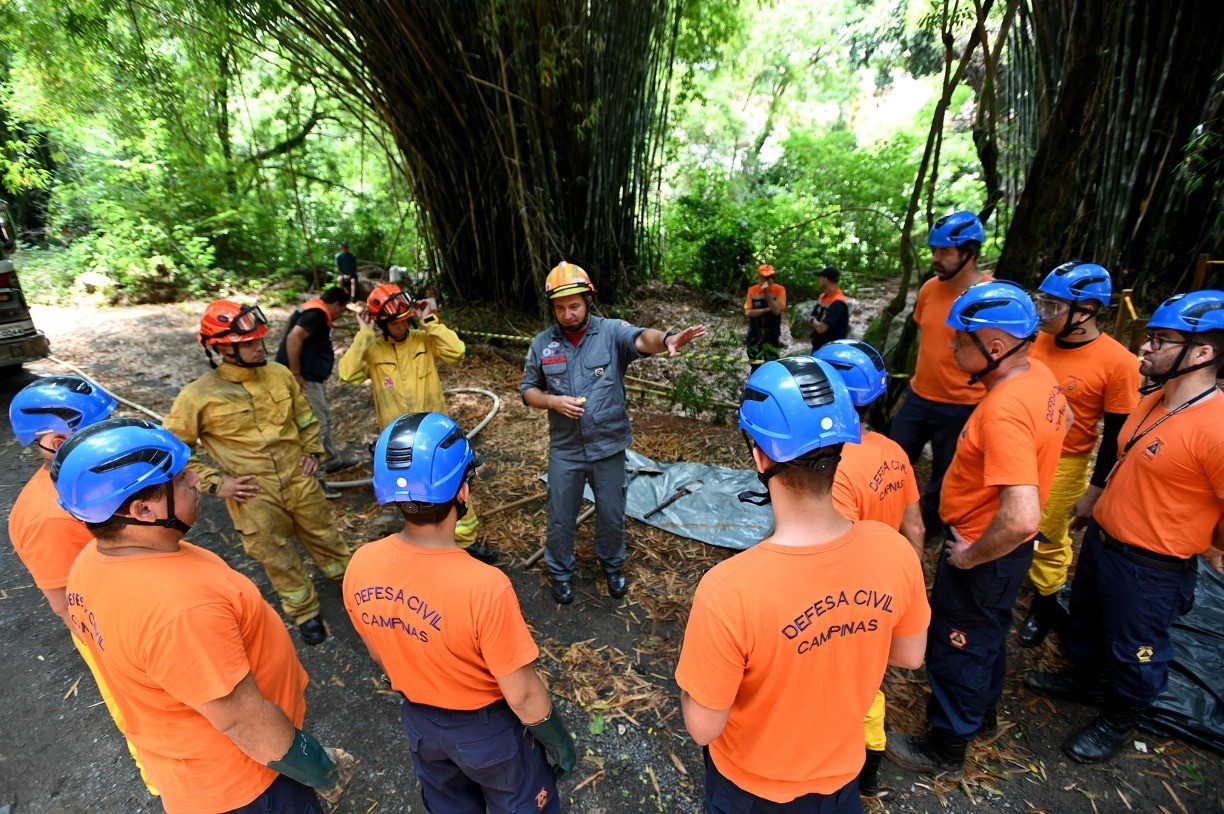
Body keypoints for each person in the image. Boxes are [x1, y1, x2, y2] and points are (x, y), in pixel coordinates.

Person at [55, 418, 354, 813]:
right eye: (179, 479)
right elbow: (243, 721)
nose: (196, 479)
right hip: (248, 782)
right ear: (143, 509)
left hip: (193, 766)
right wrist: (319, 769)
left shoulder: (94, 559)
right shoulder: (178, 608)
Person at [675, 357, 929, 812]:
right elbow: (909, 655)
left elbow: (702, 727)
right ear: (843, 447)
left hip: (753, 791)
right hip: (842, 781)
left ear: (760, 455)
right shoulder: (893, 549)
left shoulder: (729, 591)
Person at [1026, 290, 1224, 763]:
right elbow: (1128, 456)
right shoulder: (1155, 400)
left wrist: (1216, 546)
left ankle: (1120, 717)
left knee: (1138, 649)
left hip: (1153, 566)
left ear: (1202, 352)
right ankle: (1087, 678)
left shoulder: (1216, 428)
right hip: (1106, 541)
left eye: (1161, 340)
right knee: (1090, 620)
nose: (1146, 348)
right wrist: (1095, 499)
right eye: (1149, 337)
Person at [343, 412, 577, 812]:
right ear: (462, 491)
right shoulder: (483, 585)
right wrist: (558, 739)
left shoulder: (361, 563)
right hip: (487, 733)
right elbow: (520, 694)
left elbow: (380, 654)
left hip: (420, 725)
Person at [886, 281, 1067, 779]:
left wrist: (968, 556)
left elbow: (1022, 517)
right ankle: (979, 717)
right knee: (988, 631)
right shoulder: (1039, 373)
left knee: (959, 641)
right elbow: (1066, 418)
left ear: (993, 347)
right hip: (1006, 551)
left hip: (987, 549)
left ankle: (946, 745)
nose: (949, 347)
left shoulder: (1005, 409)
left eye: (959, 341)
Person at [163, 300, 353, 645]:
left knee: (325, 534)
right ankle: (305, 611)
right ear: (221, 347)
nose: (259, 347)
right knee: (276, 554)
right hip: (253, 493)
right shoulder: (197, 397)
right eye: (249, 343)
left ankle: (349, 584)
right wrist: (216, 483)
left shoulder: (280, 374)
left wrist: (313, 451)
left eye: (260, 340)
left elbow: (305, 417)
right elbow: (172, 453)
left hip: (300, 479)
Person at [520, 261, 706, 605]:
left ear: (588, 300)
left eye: (574, 306)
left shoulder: (610, 333)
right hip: (566, 449)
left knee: (610, 512)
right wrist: (551, 401)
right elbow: (528, 389)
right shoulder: (543, 344)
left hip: (608, 446)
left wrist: (666, 339)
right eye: (559, 308)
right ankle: (561, 572)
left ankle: (612, 566)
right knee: (560, 515)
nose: (568, 314)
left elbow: (641, 338)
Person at [7, 376, 158, 795]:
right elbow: (66, 604)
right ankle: (166, 781)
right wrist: (125, 651)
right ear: (56, 441)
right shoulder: (48, 518)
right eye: (101, 424)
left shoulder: (88, 480)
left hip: (137, 603)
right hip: (114, 629)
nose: (113, 430)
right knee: (141, 708)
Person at [813, 339, 924, 797]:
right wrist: (907, 593)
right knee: (870, 681)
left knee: (853, 690)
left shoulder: (833, 470)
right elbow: (915, 528)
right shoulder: (893, 450)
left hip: (849, 598)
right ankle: (869, 766)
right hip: (885, 587)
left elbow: (829, 554)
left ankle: (861, 770)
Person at [1018, 262, 1140, 647]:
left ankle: (1046, 600)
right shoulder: (1035, 342)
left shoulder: (1119, 363)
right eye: (1042, 302)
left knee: (1048, 533)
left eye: (1054, 306)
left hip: (1066, 460)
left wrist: (1096, 488)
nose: (1043, 313)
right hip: (1021, 449)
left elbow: (1118, 436)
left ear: (1086, 311)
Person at [337, 283, 498, 564]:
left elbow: (457, 351)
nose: (402, 327)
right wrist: (363, 333)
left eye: (405, 320)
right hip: (402, 444)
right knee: (415, 499)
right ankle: (429, 553)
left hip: (435, 440)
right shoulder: (373, 350)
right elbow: (347, 374)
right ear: (381, 323)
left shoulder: (424, 340)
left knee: (455, 494)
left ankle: (465, 548)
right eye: (395, 323)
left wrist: (430, 321)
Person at [889, 211, 994, 530]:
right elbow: (926, 337)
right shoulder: (930, 288)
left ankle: (932, 526)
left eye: (944, 252)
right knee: (892, 458)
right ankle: (886, 512)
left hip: (963, 404)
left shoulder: (990, 297)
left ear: (969, 255)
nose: (936, 258)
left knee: (947, 473)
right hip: (919, 396)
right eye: (934, 251)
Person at [275, 286, 360, 498]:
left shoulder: (312, 309)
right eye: (341, 310)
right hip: (305, 378)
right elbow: (294, 338)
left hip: (309, 376)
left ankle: (331, 461)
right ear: (335, 304)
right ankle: (315, 478)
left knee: (324, 418)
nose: (340, 315)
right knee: (316, 425)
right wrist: (295, 373)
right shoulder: (316, 314)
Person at [744, 263, 787, 372]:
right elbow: (748, 312)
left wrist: (766, 294)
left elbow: (777, 311)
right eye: (766, 277)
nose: (769, 279)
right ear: (759, 277)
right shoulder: (752, 290)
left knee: (772, 366)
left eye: (771, 276)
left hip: (772, 334)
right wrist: (767, 310)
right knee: (755, 366)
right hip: (755, 333)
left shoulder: (780, 290)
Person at [810, 266, 851, 352]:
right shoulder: (822, 297)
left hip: (831, 351)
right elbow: (812, 318)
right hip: (818, 346)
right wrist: (815, 322)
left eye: (820, 277)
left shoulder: (838, 302)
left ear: (825, 279)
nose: (818, 280)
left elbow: (821, 328)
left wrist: (814, 321)